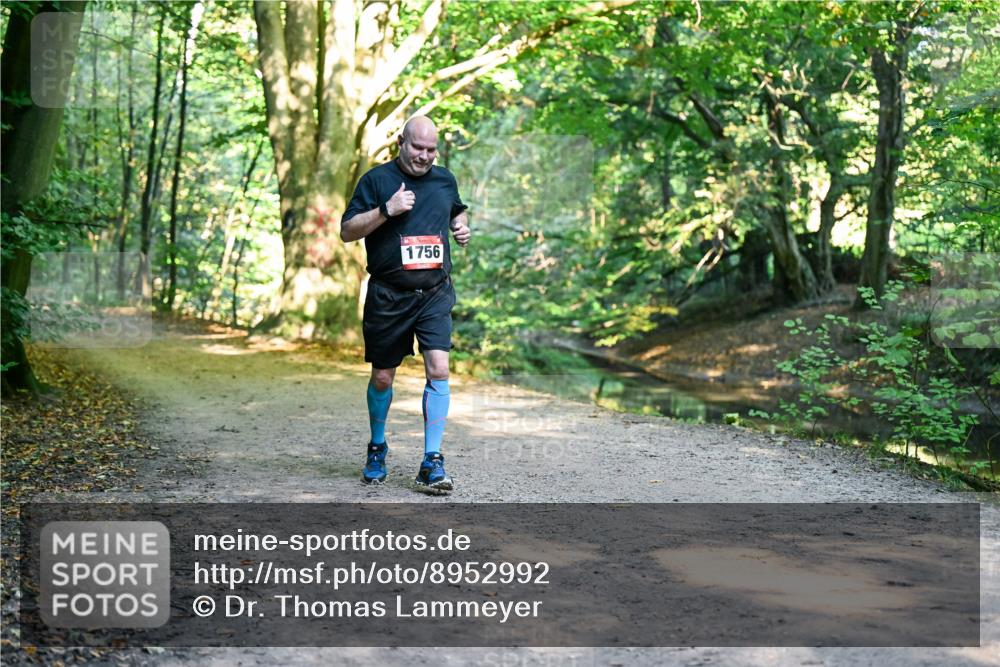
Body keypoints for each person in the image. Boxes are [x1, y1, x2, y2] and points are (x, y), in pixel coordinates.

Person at [340, 116, 471, 493]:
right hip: (388, 294)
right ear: (401, 142)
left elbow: (454, 209)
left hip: (433, 292)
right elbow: (347, 231)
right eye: (418, 148)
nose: (425, 157)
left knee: (440, 370)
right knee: (383, 376)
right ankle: (377, 447)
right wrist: (386, 210)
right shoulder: (376, 181)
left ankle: (431, 461)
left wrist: (461, 226)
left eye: (432, 150)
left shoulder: (444, 178)